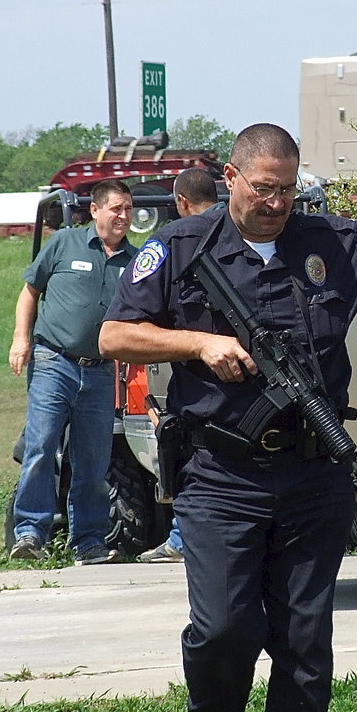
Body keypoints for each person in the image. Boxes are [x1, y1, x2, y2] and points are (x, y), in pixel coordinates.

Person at [99, 123, 357, 712]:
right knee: (225, 627)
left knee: (303, 636)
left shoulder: (328, 241)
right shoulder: (178, 248)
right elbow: (115, 335)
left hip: (311, 473)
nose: (277, 202)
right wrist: (199, 341)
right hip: (219, 473)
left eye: (288, 188)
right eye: (264, 187)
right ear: (230, 178)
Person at [8, 178, 138, 566]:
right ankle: (30, 532)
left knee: (94, 461)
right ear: (95, 210)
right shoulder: (64, 244)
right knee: (41, 446)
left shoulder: (135, 260)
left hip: (100, 372)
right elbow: (31, 290)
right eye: (116, 208)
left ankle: (89, 542)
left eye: (129, 209)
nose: (124, 216)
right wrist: (21, 338)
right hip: (53, 362)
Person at [138, 167, 222, 565]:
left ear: (181, 202)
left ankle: (182, 538)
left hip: (195, 393)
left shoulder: (172, 243)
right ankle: (181, 537)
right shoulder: (244, 236)